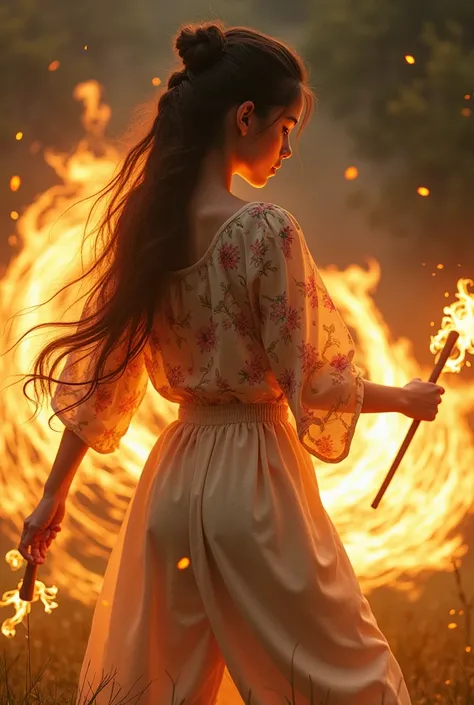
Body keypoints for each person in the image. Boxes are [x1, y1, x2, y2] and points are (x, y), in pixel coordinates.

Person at [17, 21, 445, 705]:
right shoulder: (264, 229)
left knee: (166, 688)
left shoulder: (147, 229)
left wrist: (52, 495)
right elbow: (311, 377)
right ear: (246, 117)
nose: (286, 148)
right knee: (342, 678)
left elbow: (105, 377)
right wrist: (405, 398)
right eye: (285, 128)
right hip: (254, 483)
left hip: (173, 485)